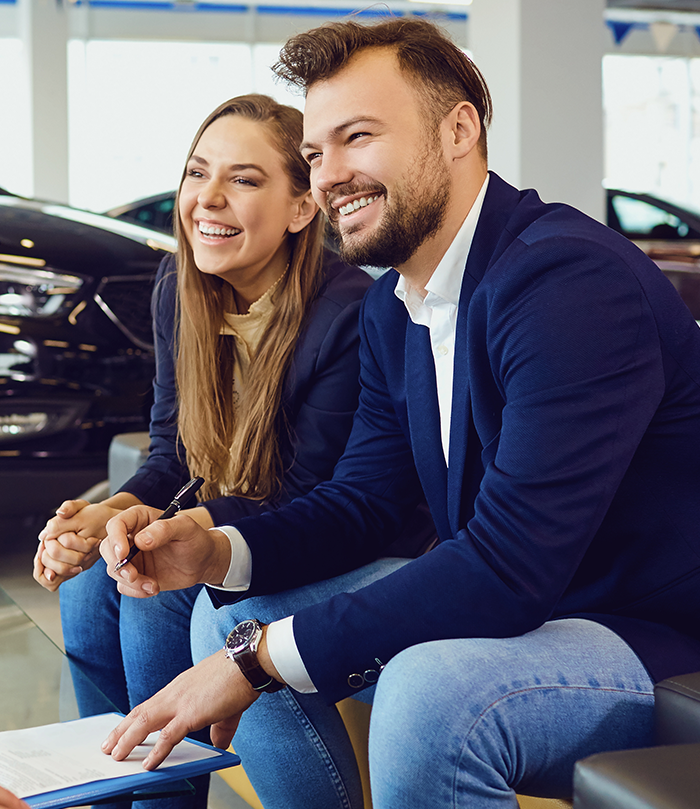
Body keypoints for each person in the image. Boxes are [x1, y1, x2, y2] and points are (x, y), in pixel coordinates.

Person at [98, 17, 700, 809]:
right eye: (316, 153)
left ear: (459, 129)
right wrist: (214, 551)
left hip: (639, 627)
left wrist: (258, 661)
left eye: (358, 137)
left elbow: (512, 564)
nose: (329, 175)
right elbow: (363, 503)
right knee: (226, 617)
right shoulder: (394, 306)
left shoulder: (566, 281)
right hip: (533, 603)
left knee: (427, 692)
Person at [31, 94, 389, 808]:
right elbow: (171, 456)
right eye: (198, 172)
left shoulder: (348, 312)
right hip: (239, 518)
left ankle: (166, 801)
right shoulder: (180, 288)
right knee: (96, 578)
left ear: (300, 208)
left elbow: (308, 491)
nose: (208, 198)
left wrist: (166, 532)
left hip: (327, 533)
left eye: (245, 179)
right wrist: (110, 514)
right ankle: (109, 790)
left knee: (150, 594)